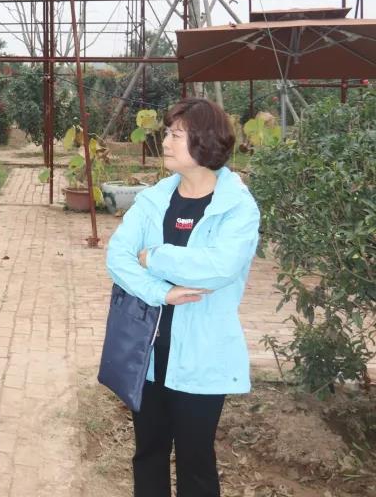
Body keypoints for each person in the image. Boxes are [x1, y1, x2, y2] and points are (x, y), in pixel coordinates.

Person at [105, 97, 261, 497]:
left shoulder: (236, 207)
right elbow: (118, 257)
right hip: (148, 353)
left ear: (205, 141)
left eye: (176, 135)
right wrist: (162, 292)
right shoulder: (155, 198)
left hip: (201, 358)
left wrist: (154, 257)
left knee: (196, 463)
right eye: (168, 133)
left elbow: (217, 267)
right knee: (148, 454)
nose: (165, 142)